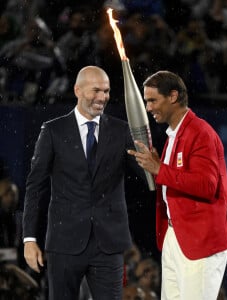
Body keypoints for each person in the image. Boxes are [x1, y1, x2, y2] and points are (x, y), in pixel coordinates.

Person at [22, 65, 144, 300]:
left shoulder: (121, 131)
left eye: (106, 91)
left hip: (108, 245)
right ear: (77, 90)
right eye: (96, 90)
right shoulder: (53, 131)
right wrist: (29, 239)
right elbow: (34, 187)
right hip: (64, 243)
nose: (102, 97)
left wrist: (157, 163)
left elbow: (147, 174)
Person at [128, 70, 227, 300]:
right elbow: (174, 182)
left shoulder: (200, 133)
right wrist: (158, 167)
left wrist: (160, 169)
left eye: (153, 100)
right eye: (146, 101)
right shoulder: (173, 136)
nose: (148, 108)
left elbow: (207, 186)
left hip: (200, 238)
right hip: (176, 235)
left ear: (173, 96)